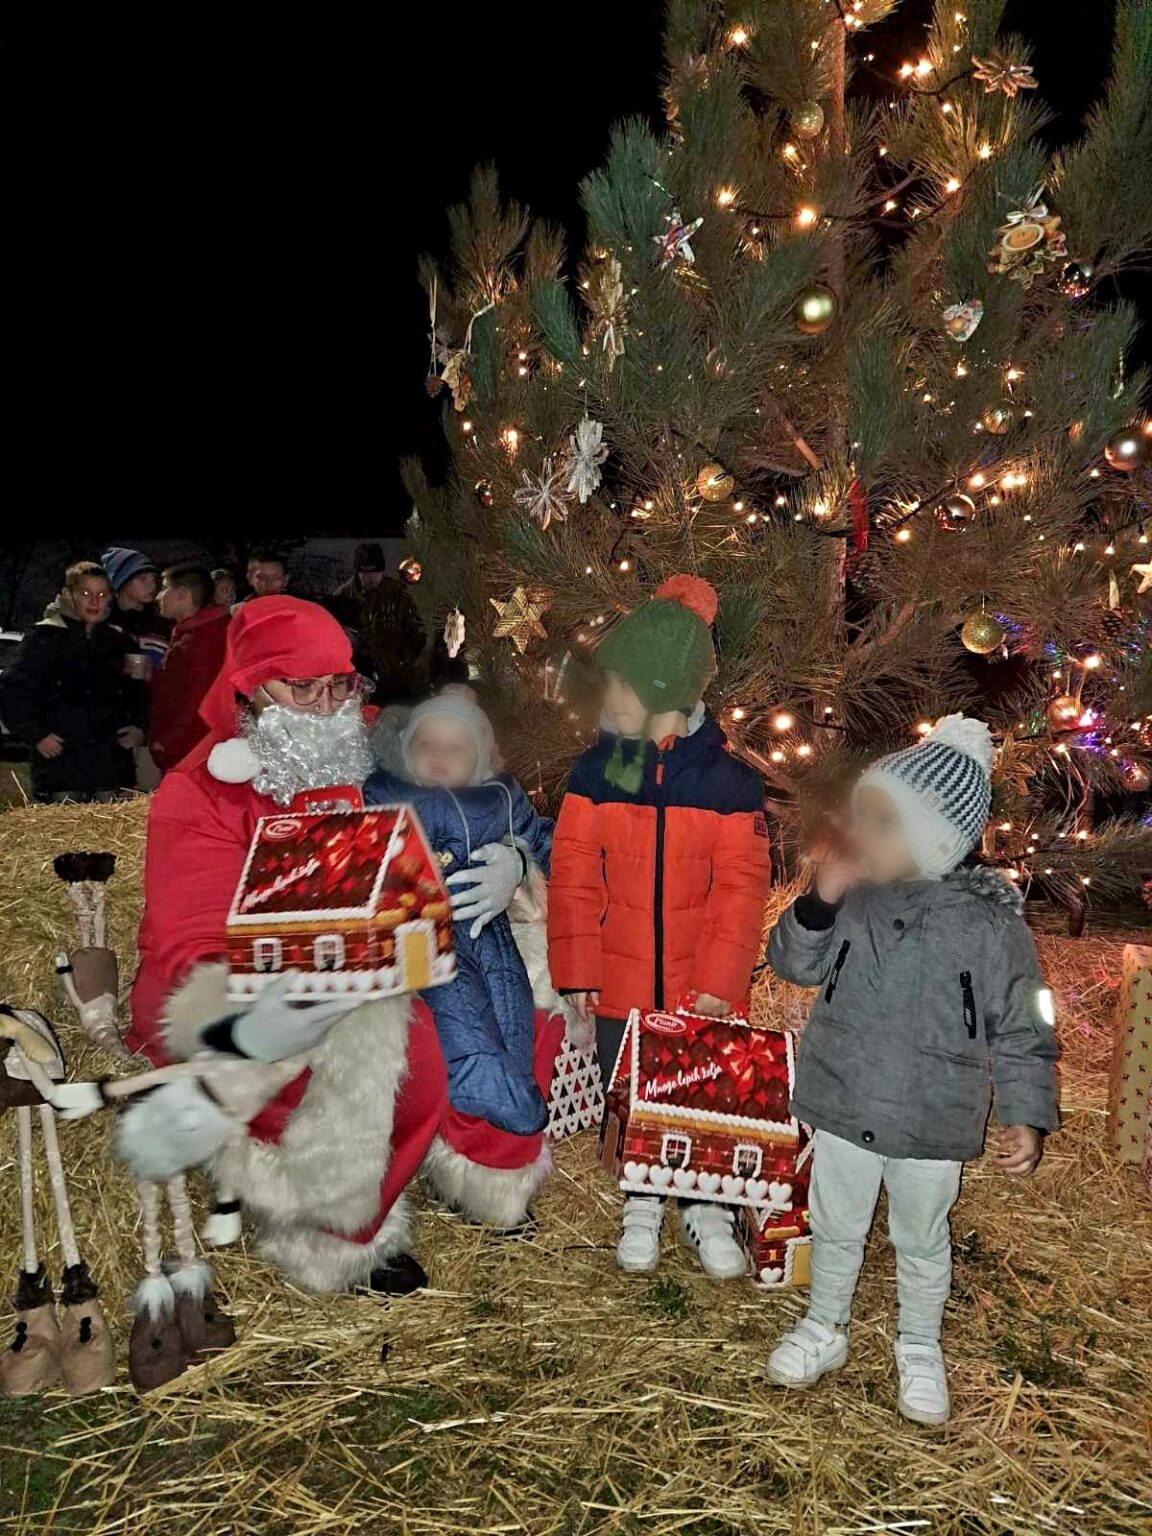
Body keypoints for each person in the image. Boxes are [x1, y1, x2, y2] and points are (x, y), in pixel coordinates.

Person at [128, 596, 529, 1294]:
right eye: (300, 688)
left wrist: (516, 856)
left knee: (448, 1037)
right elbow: (188, 942)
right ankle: (337, 1236)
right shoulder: (198, 796)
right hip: (233, 991)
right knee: (364, 1057)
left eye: (337, 687)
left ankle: (464, 1170)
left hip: (351, 967)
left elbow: (453, 765)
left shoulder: (351, 761)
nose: (322, 707)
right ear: (248, 691)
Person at [764, 715, 1060, 1427]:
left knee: (921, 1234)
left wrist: (1027, 1108)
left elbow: (1028, 1018)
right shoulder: (854, 896)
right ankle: (825, 1324)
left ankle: (919, 1345)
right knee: (836, 1222)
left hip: (934, 1112)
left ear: (935, 837)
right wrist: (818, 899)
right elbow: (791, 964)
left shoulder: (989, 924)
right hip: (845, 1093)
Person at [548, 575, 770, 1279]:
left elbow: (741, 890)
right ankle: (642, 1196)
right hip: (617, 981)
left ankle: (703, 1204)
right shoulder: (594, 774)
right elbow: (574, 875)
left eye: (617, 686)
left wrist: (719, 980)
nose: (603, 700)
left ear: (661, 692)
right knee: (630, 1091)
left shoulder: (730, 785)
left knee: (697, 1091)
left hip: (697, 985)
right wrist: (579, 970)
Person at [366, 696, 556, 1228]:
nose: (438, 756)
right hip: (422, 928)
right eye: (425, 745)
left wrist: (520, 861)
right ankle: (499, 1095)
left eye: (455, 748)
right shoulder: (385, 790)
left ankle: (502, 1130)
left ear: (481, 757)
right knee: (458, 1006)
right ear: (405, 751)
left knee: (512, 1005)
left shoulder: (500, 794)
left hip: (487, 926)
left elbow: (546, 841)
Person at [0, 562, 145, 803]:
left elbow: (139, 691)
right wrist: (36, 734)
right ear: (69, 595)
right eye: (86, 593)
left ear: (110, 597)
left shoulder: (119, 642)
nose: (94, 601)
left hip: (110, 766)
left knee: (110, 835)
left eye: (101, 594)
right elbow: (10, 689)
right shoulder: (43, 638)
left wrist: (139, 727)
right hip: (61, 767)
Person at [148, 564, 231, 774]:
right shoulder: (197, 633)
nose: (159, 596)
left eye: (164, 588)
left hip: (191, 748)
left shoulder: (201, 639)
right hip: (196, 744)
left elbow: (196, 698)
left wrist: (168, 740)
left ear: (182, 594)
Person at [327, 541, 427, 701]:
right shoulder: (343, 596)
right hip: (358, 675)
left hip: (396, 673)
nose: (370, 578)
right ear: (358, 572)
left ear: (382, 571)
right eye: (365, 573)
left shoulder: (398, 594)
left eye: (375, 573)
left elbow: (417, 631)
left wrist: (405, 662)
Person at [99, 546, 170, 668]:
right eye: (142, 578)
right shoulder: (105, 626)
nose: (151, 584)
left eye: (152, 577)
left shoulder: (162, 622)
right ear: (121, 582)